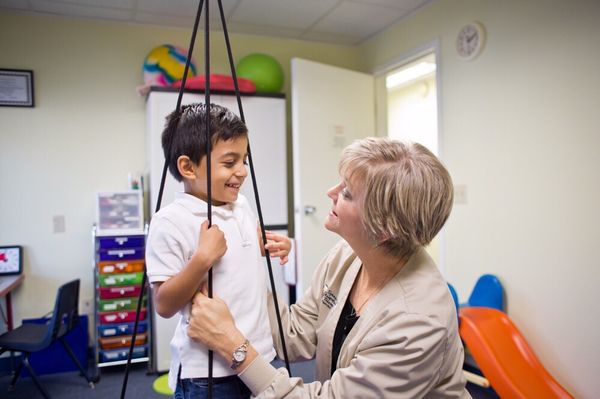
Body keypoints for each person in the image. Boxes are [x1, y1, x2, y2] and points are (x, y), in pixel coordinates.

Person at [187, 137, 471, 398]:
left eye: (346, 193)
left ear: (383, 228)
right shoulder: (347, 255)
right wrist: (243, 266)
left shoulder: (417, 322)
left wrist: (233, 346)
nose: (330, 192)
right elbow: (297, 334)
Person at [145, 103, 291, 399]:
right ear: (188, 167)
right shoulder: (171, 221)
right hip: (207, 373)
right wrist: (201, 260)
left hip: (257, 354)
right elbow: (164, 304)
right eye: (229, 163)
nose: (242, 171)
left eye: (244, 160)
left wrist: (269, 244)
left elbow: (244, 248)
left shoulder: (242, 205)